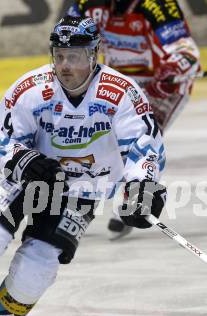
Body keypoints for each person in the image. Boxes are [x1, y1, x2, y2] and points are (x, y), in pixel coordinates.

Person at [0, 15, 167, 316]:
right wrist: (24, 160)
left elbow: (143, 145)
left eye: (76, 56)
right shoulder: (32, 89)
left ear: (95, 54)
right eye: (60, 55)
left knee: (37, 267)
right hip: (24, 176)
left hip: (82, 188)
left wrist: (141, 188)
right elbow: (2, 137)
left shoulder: (120, 93)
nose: (66, 66)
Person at [67, 0, 200, 239]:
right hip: (119, 86)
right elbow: (65, 41)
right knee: (91, 137)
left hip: (161, 90)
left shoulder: (158, 4)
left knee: (141, 141)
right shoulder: (87, 5)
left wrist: (173, 68)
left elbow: (187, 53)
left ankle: (136, 199)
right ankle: (83, 197)